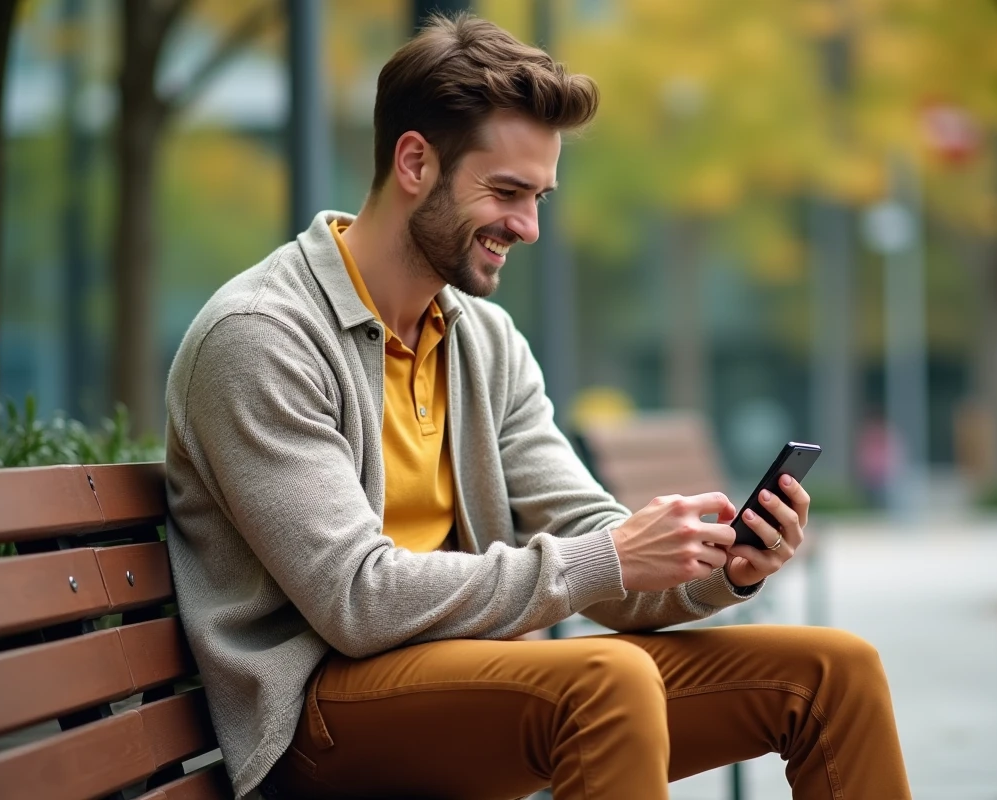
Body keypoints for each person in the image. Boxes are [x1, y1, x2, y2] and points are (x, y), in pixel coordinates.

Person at [164, 13, 910, 800]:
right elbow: (358, 600)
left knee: (834, 673)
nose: (528, 226)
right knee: (606, 680)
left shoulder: (483, 340)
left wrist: (718, 571)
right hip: (314, 721)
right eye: (508, 192)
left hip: (469, 681)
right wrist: (609, 557)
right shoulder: (262, 337)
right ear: (414, 161)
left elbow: (589, 537)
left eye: (540, 196)